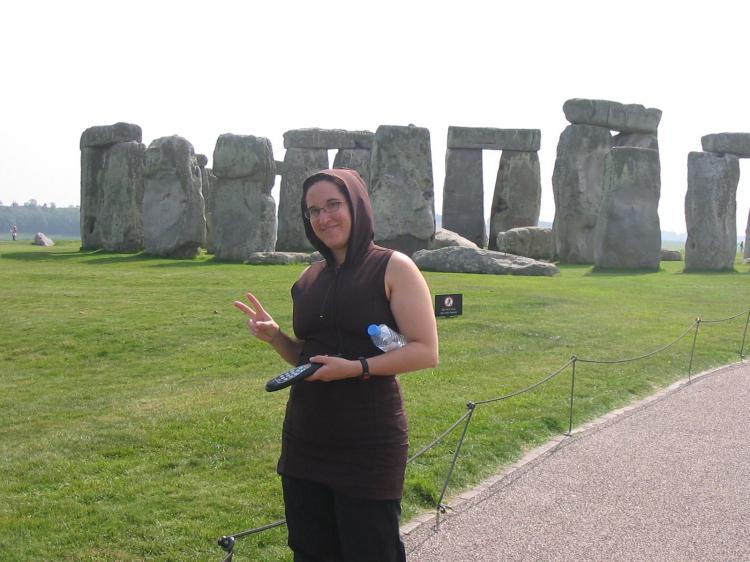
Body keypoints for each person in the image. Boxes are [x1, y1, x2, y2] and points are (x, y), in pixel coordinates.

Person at [234, 168, 439, 561]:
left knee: (370, 551)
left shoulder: (393, 267)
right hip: (306, 438)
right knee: (311, 551)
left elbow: (425, 350)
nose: (324, 218)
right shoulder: (309, 276)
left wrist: (357, 367)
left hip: (368, 440)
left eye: (333, 204)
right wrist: (276, 336)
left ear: (356, 205)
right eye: (313, 211)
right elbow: (307, 360)